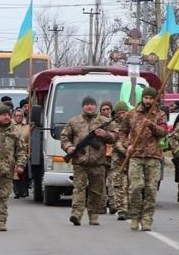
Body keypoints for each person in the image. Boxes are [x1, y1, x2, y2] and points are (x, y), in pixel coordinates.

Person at [60, 96, 115, 226]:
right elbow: (64, 137)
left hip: (98, 162)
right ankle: (76, 214)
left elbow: (115, 136)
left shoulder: (104, 121)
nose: (89, 107)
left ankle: (94, 215)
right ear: (83, 107)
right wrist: (69, 148)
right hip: (80, 162)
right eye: (86, 104)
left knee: (96, 191)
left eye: (92, 104)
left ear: (95, 106)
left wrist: (105, 135)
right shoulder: (74, 121)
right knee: (79, 189)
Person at [118, 87, 167, 231]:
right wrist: (127, 145)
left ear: (155, 99)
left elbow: (164, 132)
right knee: (135, 187)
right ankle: (134, 216)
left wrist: (151, 124)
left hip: (153, 156)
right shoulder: (132, 114)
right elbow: (122, 131)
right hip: (136, 156)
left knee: (151, 190)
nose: (148, 101)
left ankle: (146, 220)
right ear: (142, 98)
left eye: (151, 98)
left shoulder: (160, 114)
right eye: (146, 98)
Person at [109, 101, 131, 220]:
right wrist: (126, 150)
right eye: (120, 113)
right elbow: (116, 142)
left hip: (132, 158)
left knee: (131, 184)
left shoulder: (132, 123)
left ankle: (131, 207)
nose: (122, 115)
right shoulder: (112, 126)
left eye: (124, 112)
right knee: (119, 184)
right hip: (118, 158)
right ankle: (121, 209)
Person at [11, 108, 30, 199]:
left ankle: (25, 191)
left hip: (24, 151)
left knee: (24, 172)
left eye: (20, 116)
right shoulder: (10, 126)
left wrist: (29, 151)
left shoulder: (27, 127)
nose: (18, 117)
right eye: (17, 115)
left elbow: (30, 140)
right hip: (13, 151)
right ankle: (17, 191)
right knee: (15, 173)